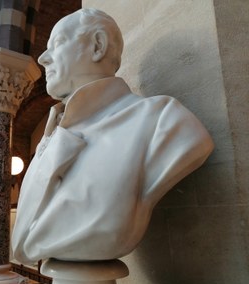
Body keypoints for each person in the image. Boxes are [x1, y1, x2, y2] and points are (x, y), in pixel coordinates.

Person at [12, 8, 214, 264]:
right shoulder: (50, 135)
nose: (43, 58)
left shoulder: (162, 122)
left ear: (98, 46)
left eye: (58, 43)